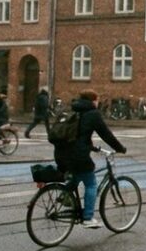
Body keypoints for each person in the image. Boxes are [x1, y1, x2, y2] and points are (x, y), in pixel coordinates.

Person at [53, 90, 126, 229]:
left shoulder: (72, 109)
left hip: (61, 153)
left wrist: (91, 147)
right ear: (93, 101)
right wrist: (120, 148)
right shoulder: (93, 114)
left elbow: (77, 134)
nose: (98, 103)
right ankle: (88, 218)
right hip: (78, 156)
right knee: (91, 183)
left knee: (77, 175)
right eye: (97, 100)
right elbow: (106, 135)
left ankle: (65, 194)